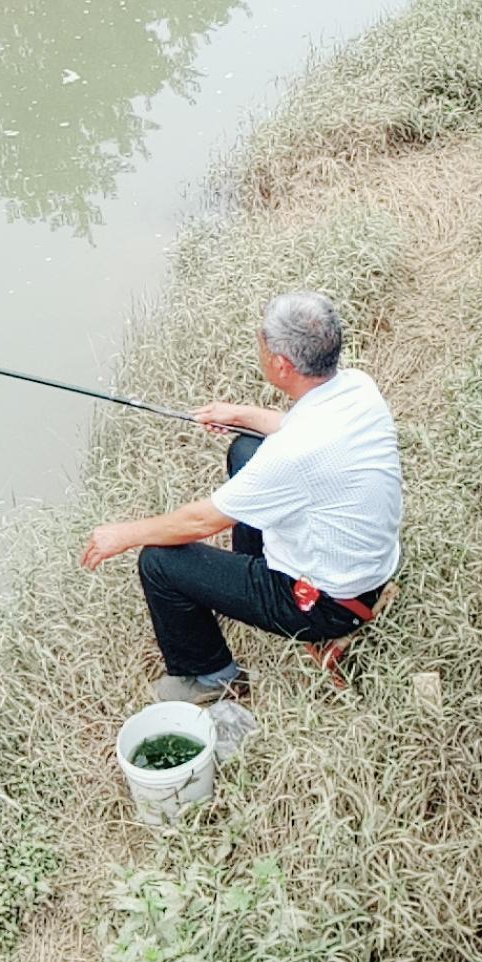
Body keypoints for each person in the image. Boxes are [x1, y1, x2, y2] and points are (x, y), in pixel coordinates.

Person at [80, 290, 402, 703]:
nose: (259, 346)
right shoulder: (358, 387)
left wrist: (124, 534)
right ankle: (252, 571)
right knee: (247, 449)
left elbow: (201, 521)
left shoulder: (293, 455)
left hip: (328, 603)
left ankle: (210, 676)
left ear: (281, 365)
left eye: (263, 343)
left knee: (159, 560)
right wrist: (236, 415)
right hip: (366, 568)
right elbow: (299, 429)